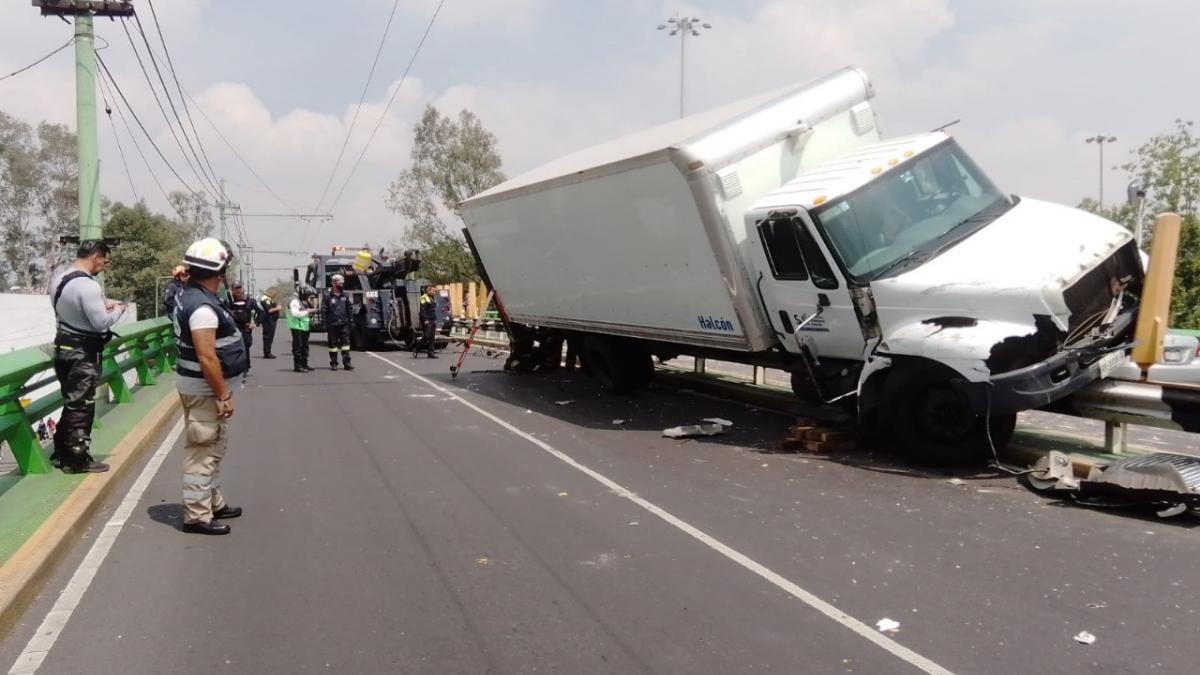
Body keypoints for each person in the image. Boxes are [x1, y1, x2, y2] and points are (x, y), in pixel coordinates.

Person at [173, 238, 248, 535]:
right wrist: (223, 394)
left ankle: (213, 502)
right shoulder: (202, 307)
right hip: (205, 391)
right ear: (221, 271)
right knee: (202, 452)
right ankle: (197, 516)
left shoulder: (190, 294)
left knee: (213, 447)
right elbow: (206, 356)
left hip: (199, 388)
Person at [49, 240, 127, 473]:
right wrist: (120, 310)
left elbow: (75, 311)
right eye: (105, 261)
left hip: (63, 347)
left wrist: (105, 306)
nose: (104, 266)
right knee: (82, 405)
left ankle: (61, 452)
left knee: (72, 402)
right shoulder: (88, 286)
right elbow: (101, 323)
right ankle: (77, 459)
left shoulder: (60, 280)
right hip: (83, 353)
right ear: (96, 257)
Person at [225, 284, 260, 374]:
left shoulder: (250, 301)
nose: (239, 291)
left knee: (246, 346)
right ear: (232, 291)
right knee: (234, 349)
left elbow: (261, 312)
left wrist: (255, 323)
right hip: (233, 329)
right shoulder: (228, 302)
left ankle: (245, 368)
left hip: (246, 328)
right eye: (236, 289)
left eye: (240, 289)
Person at [323, 274, 354, 371]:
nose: (341, 285)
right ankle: (334, 363)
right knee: (333, 345)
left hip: (344, 324)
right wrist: (324, 324)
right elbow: (324, 310)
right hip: (332, 324)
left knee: (346, 344)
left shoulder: (345, 294)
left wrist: (351, 320)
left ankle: (347, 363)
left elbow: (349, 308)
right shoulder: (327, 295)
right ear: (333, 283)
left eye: (342, 283)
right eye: (339, 283)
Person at [288, 285, 316, 373]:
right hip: (297, 326)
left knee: (305, 346)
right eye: (307, 295)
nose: (307, 297)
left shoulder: (299, 299)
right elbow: (295, 314)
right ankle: (298, 366)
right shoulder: (294, 300)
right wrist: (308, 311)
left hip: (302, 326)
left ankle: (304, 364)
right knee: (298, 346)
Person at [413, 284, 438, 358]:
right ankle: (416, 349)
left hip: (433, 319)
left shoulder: (433, 298)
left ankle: (431, 353)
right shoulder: (423, 298)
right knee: (426, 336)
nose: (434, 292)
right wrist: (425, 320)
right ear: (428, 290)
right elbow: (422, 310)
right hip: (426, 320)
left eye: (435, 291)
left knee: (432, 337)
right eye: (433, 291)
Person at [259, 288, 283, 358]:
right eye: (275, 294)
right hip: (268, 320)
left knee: (270, 336)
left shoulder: (268, 298)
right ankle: (267, 352)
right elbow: (269, 310)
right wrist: (278, 308)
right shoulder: (265, 299)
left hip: (272, 320)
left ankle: (268, 351)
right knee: (268, 336)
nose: (275, 295)